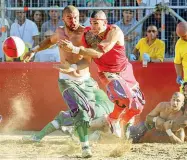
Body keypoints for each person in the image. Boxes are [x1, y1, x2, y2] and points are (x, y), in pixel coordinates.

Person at [23, 5, 112, 158]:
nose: (74, 20)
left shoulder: (85, 33)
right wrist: (34, 50)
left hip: (85, 80)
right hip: (66, 81)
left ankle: (60, 125)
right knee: (80, 112)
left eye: (76, 17)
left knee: (104, 107)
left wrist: (72, 67)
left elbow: (87, 60)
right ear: (63, 18)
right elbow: (49, 41)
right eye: (70, 18)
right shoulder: (59, 32)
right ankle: (85, 148)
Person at [59, 10, 145, 138]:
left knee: (138, 106)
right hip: (107, 73)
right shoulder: (87, 35)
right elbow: (87, 61)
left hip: (125, 70)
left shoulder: (114, 31)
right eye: (91, 23)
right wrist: (73, 67)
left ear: (105, 22)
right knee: (125, 97)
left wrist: (74, 49)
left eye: (96, 23)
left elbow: (100, 52)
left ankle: (116, 122)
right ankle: (113, 123)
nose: (93, 27)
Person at [23, 89, 114, 142]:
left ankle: (37, 137)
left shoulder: (86, 88)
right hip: (110, 120)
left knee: (62, 116)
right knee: (82, 132)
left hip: (95, 113)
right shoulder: (105, 95)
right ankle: (94, 135)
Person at [174, 22, 187, 86]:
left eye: (184, 36)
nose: (182, 38)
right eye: (180, 36)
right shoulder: (179, 44)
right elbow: (178, 62)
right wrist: (179, 75)